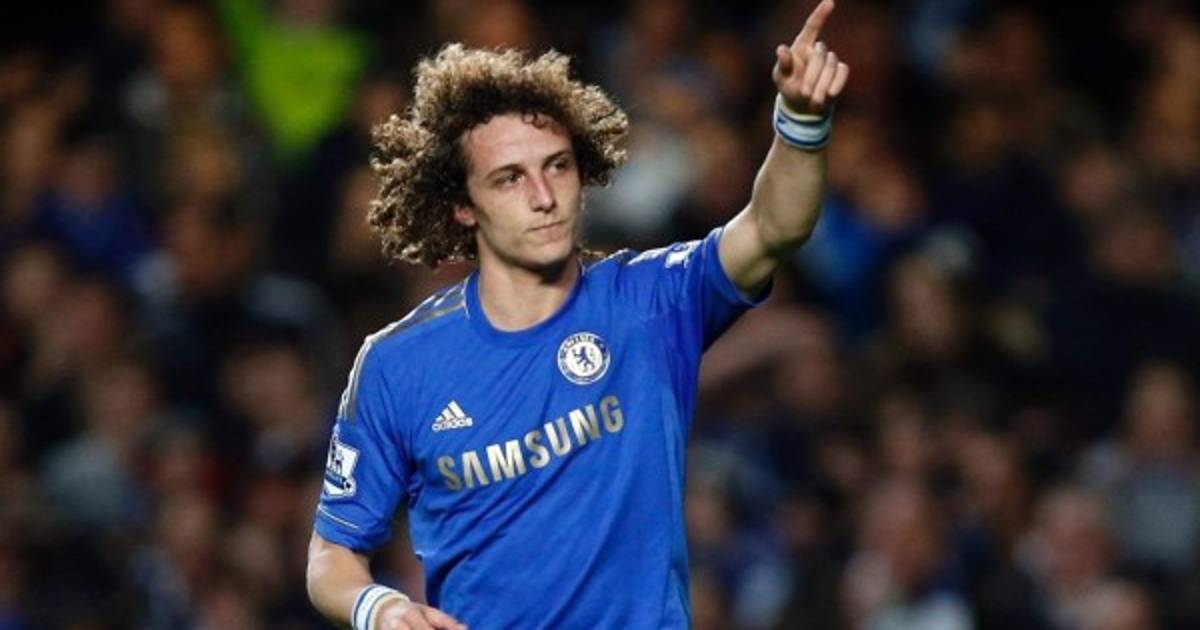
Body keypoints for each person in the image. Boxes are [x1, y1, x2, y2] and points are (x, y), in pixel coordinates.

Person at [305, 1, 849, 628]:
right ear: (463, 206)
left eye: (557, 167)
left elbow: (773, 228)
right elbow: (331, 552)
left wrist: (800, 121)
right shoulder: (397, 364)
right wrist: (379, 608)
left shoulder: (648, 304)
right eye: (509, 179)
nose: (544, 197)